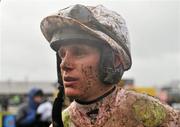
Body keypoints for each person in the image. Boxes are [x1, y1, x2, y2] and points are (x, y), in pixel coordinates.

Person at [40, 4, 180, 127]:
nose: (64, 64)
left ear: (114, 60)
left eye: (79, 52)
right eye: (62, 54)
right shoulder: (61, 122)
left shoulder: (152, 115)